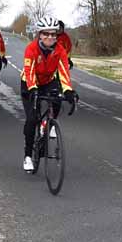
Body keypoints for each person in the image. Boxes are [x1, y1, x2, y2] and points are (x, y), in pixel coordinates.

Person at [19, 16, 77, 172]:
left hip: (48, 81)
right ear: (40, 34)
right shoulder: (31, 49)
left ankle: (47, 124)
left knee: (57, 99)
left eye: (53, 34)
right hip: (29, 83)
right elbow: (29, 71)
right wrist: (33, 89)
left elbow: (64, 72)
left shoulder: (60, 50)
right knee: (32, 118)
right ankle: (27, 156)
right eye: (46, 34)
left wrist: (68, 90)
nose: (50, 37)